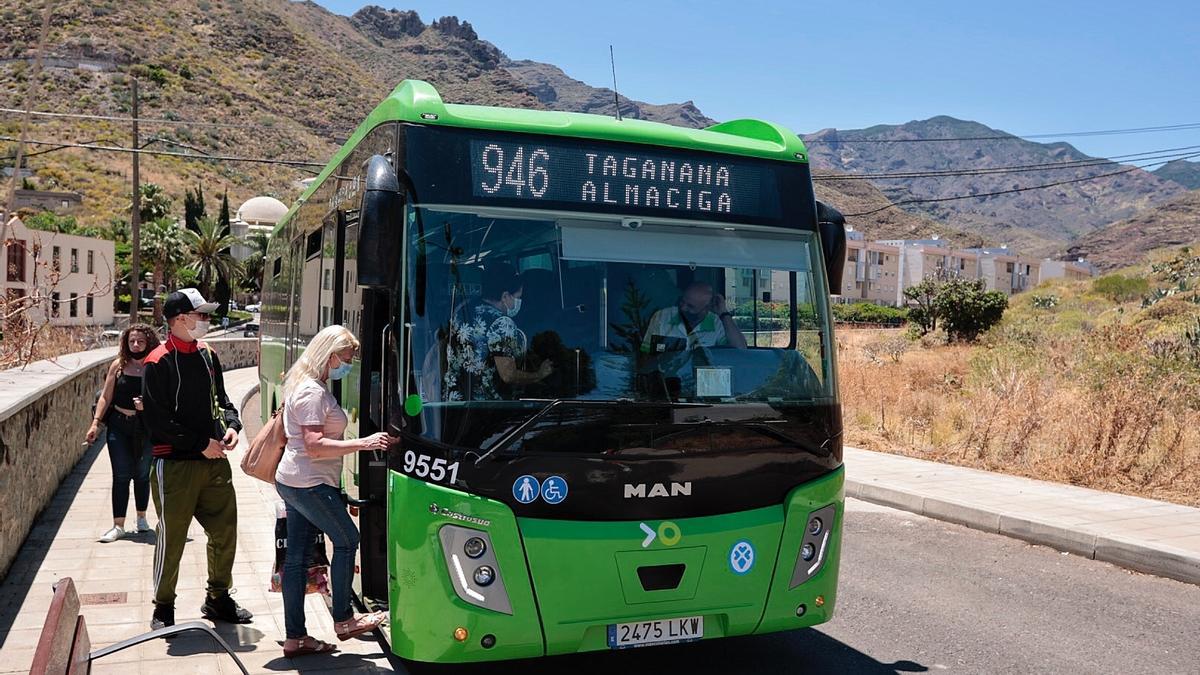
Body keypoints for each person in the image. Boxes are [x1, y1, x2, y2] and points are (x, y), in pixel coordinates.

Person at [276, 325, 391, 656]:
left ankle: (295, 638)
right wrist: (363, 443)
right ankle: (344, 619)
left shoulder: (308, 385)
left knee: (296, 559)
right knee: (348, 540)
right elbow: (314, 446)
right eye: (347, 357)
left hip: (296, 481)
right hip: (309, 483)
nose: (349, 363)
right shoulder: (312, 392)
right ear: (329, 355)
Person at [141, 288, 249, 631]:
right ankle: (163, 606)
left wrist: (232, 426)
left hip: (214, 462)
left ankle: (218, 598)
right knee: (172, 537)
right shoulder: (157, 362)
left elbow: (223, 400)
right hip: (175, 464)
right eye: (200, 315)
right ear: (179, 320)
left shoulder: (208, 354)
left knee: (225, 532)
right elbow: (157, 421)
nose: (206, 320)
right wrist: (200, 443)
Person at [86, 324, 161, 543]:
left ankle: (141, 518)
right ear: (125, 343)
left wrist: (145, 407)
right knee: (120, 475)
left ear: (149, 343)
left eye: (140, 341)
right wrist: (95, 423)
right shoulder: (118, 366)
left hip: (145, 428)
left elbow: (163, 400)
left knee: (141, 474)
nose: (136, 345)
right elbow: (105, 397)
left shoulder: (154, 366)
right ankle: (118, 526)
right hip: (119, 425)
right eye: (131, 341)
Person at [444, 263, 553, 401]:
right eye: (518, 296)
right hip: (485, 407)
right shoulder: (502, 323)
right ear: (505, 296)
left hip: (454, 400)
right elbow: (508, 375)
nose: (519, 301)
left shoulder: (463, 309)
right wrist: (539, 374)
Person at [641, 280, 748, 353]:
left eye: (690, 306)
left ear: (707, 308)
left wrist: (724, 314)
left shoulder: (717, 323)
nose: (683, 308)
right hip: (667, 380)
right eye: (682, 301)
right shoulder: (662, 317)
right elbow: (646, 353)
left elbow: (741, 349)